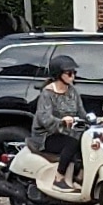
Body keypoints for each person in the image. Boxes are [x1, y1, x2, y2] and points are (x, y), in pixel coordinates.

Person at [29, 52, 86, 188]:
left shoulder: (72, 91)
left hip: (66, 132)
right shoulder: (47, 93)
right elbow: (44, 118)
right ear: (59, 74)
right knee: (72, 143)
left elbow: (81, 112)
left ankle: (80, 176)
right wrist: (61, 121)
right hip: (46, 136)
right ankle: (58, 179)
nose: (73, 75)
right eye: (69, 73)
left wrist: (98, 120)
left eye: (74, 72)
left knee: (87, 140)